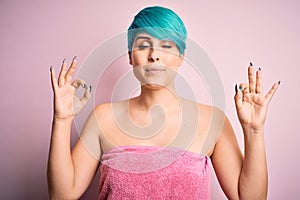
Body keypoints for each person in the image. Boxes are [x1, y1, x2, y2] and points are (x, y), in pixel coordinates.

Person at [47, 6, 279, 200]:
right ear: (130, 56)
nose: (154, 55)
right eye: (143, 44)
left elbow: (248, 197)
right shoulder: (103, 118)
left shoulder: (213, 121)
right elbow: (62, 194)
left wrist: (254, 130)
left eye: (166, 45)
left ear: (181, 57)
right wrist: (62, 119)